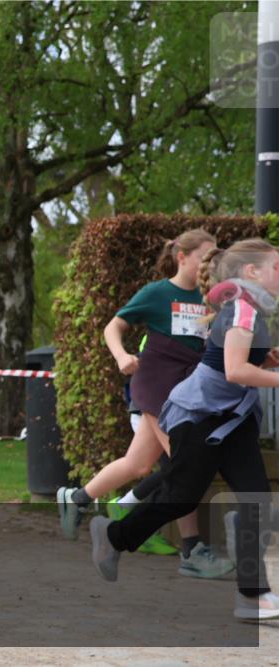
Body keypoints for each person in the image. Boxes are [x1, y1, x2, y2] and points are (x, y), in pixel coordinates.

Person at [90, 238, 279, 621]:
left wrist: (269, 357)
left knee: (256, 497)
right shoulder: (243, 309)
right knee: (180, 498)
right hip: (199, 418)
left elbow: (237, 357)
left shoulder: (250, 309)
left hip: (233, 420)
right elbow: (235, 370)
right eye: (277, 266)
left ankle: (252, 596)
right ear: (251, 272)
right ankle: (112, 536)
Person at [58, 230, 233, 578]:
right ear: (182, 257)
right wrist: (122, 356)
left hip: (188, 393)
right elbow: (114, 326)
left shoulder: (210, 298)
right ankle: (191, 548)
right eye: (205, 256)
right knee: (185, 465)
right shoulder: (157, 293)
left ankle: (77, 497)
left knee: (138, 465)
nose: (211, 264)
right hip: (157, 388)